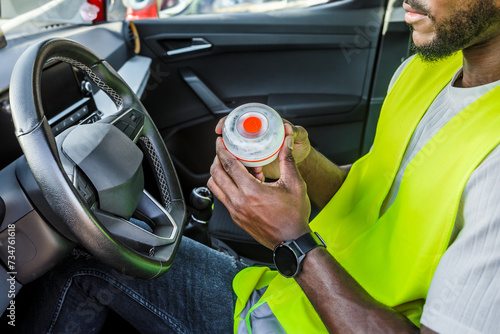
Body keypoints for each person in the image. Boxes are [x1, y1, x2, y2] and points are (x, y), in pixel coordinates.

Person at [20, 0, 500, 333]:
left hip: (284, 315)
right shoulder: (427, 68)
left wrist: (293, 243)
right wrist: (303, 160)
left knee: (83, 264)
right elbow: (379, 197)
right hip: (280, 292)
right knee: (105, 243)